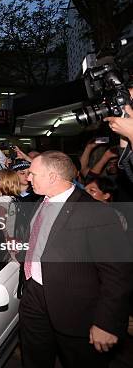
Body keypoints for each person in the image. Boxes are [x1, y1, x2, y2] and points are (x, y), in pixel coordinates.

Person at [19, 151, 132, 368]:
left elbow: (118, 274)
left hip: (74, 310)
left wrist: (106, 322)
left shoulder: (96, 213)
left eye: (32, 174)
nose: (27, 178)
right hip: (33, 298)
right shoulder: (40, 202)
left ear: (52, 177)